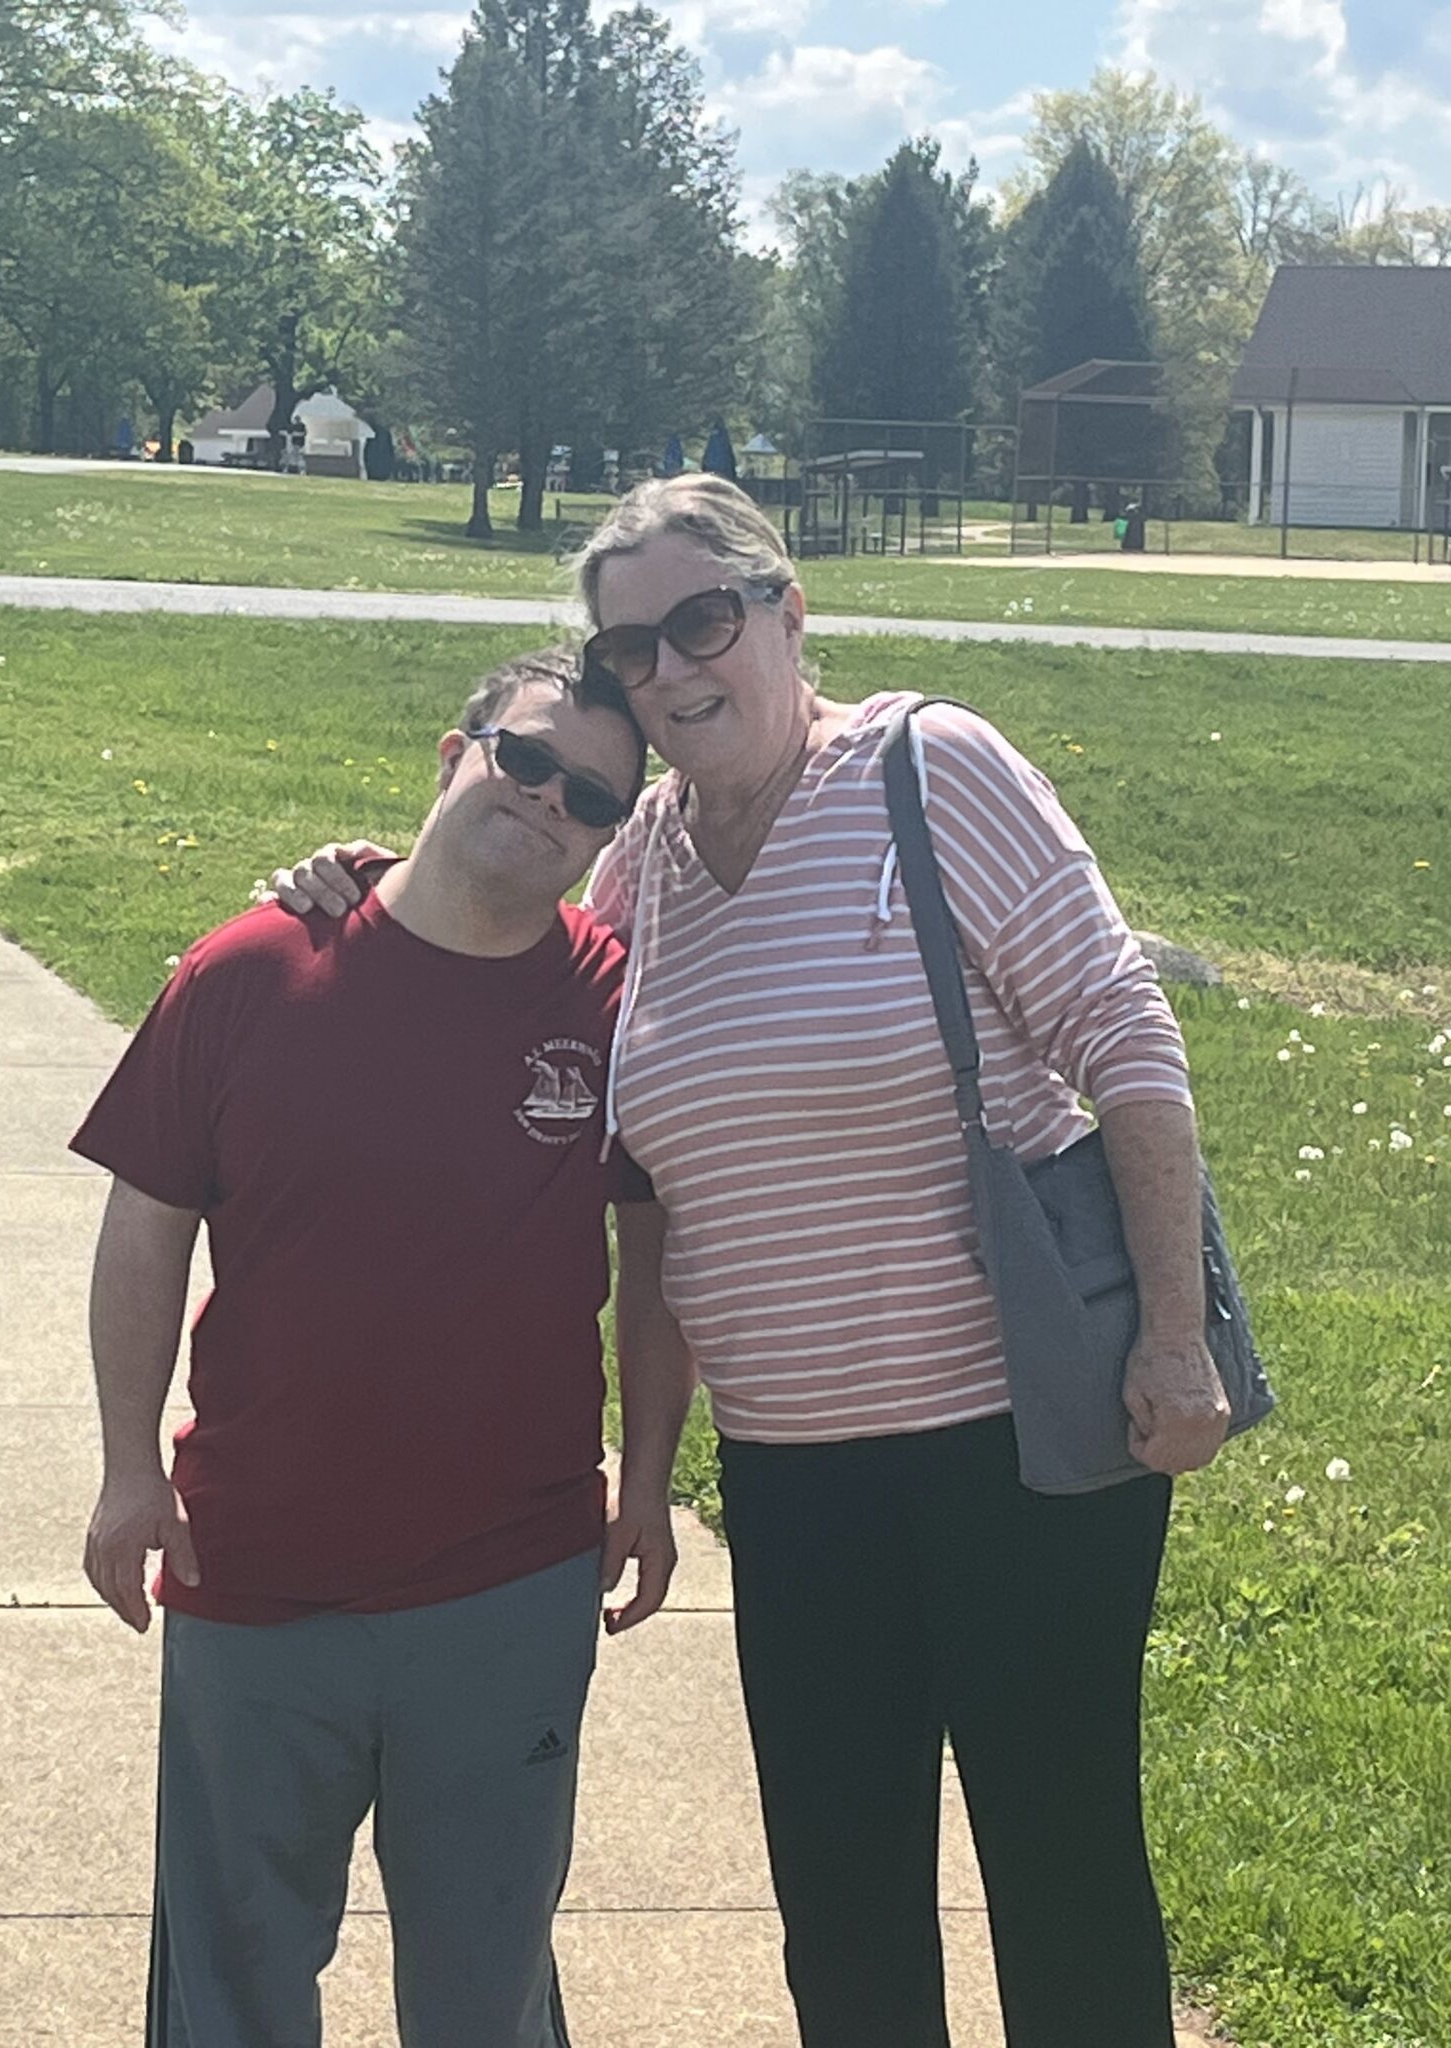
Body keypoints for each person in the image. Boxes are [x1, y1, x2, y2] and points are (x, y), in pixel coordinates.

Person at [274, 476, 1233, 2048]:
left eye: (702, 620)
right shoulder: (637, 860)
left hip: (1022, 1448)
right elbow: (536, 1036)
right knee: (841, 1905)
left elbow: (1126, 1040)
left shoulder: (934, 770)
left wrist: (1174, 1341)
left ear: (788, 613)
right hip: (790, 1478)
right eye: (630, 645)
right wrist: (352, 895)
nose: (669, 669)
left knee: (1058, 1871)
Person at [73, 649, 694, 2048]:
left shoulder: (620, 1007)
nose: (545, 803)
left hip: (510, 1583)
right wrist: (127, 1471)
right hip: (254, 1570)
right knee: (230, 1980)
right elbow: (144, 1224)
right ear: (451, 750)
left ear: (609, 836)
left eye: (588, 796)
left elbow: (664, 1265)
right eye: (523, 759)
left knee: (484, 1984)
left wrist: (647, 1479)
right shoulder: (251, 969)